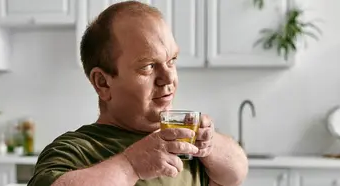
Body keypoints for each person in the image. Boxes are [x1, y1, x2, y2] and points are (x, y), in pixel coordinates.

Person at [27, 1, 248, 186]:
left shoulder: (185, 144)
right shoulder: (74, 150)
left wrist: (210, 144)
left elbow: (237, 173)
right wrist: (130, 165)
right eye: (148, 66)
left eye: (172, 61)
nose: (168, 78)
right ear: (103, 83)